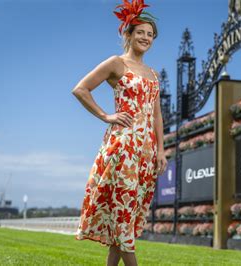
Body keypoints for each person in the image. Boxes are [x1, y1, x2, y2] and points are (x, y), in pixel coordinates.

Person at [71, 1, 167, 265]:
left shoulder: (153, 74)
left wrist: (161, 149)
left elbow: (157, 114)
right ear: (128, 34)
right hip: (122, 148)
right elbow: (81, 89)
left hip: (146, 152)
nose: (146, 38)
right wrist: (106, 116)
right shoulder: (116, 64)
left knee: (127, 219)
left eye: (150, 35)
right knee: (123, 214)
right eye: (141, 33)